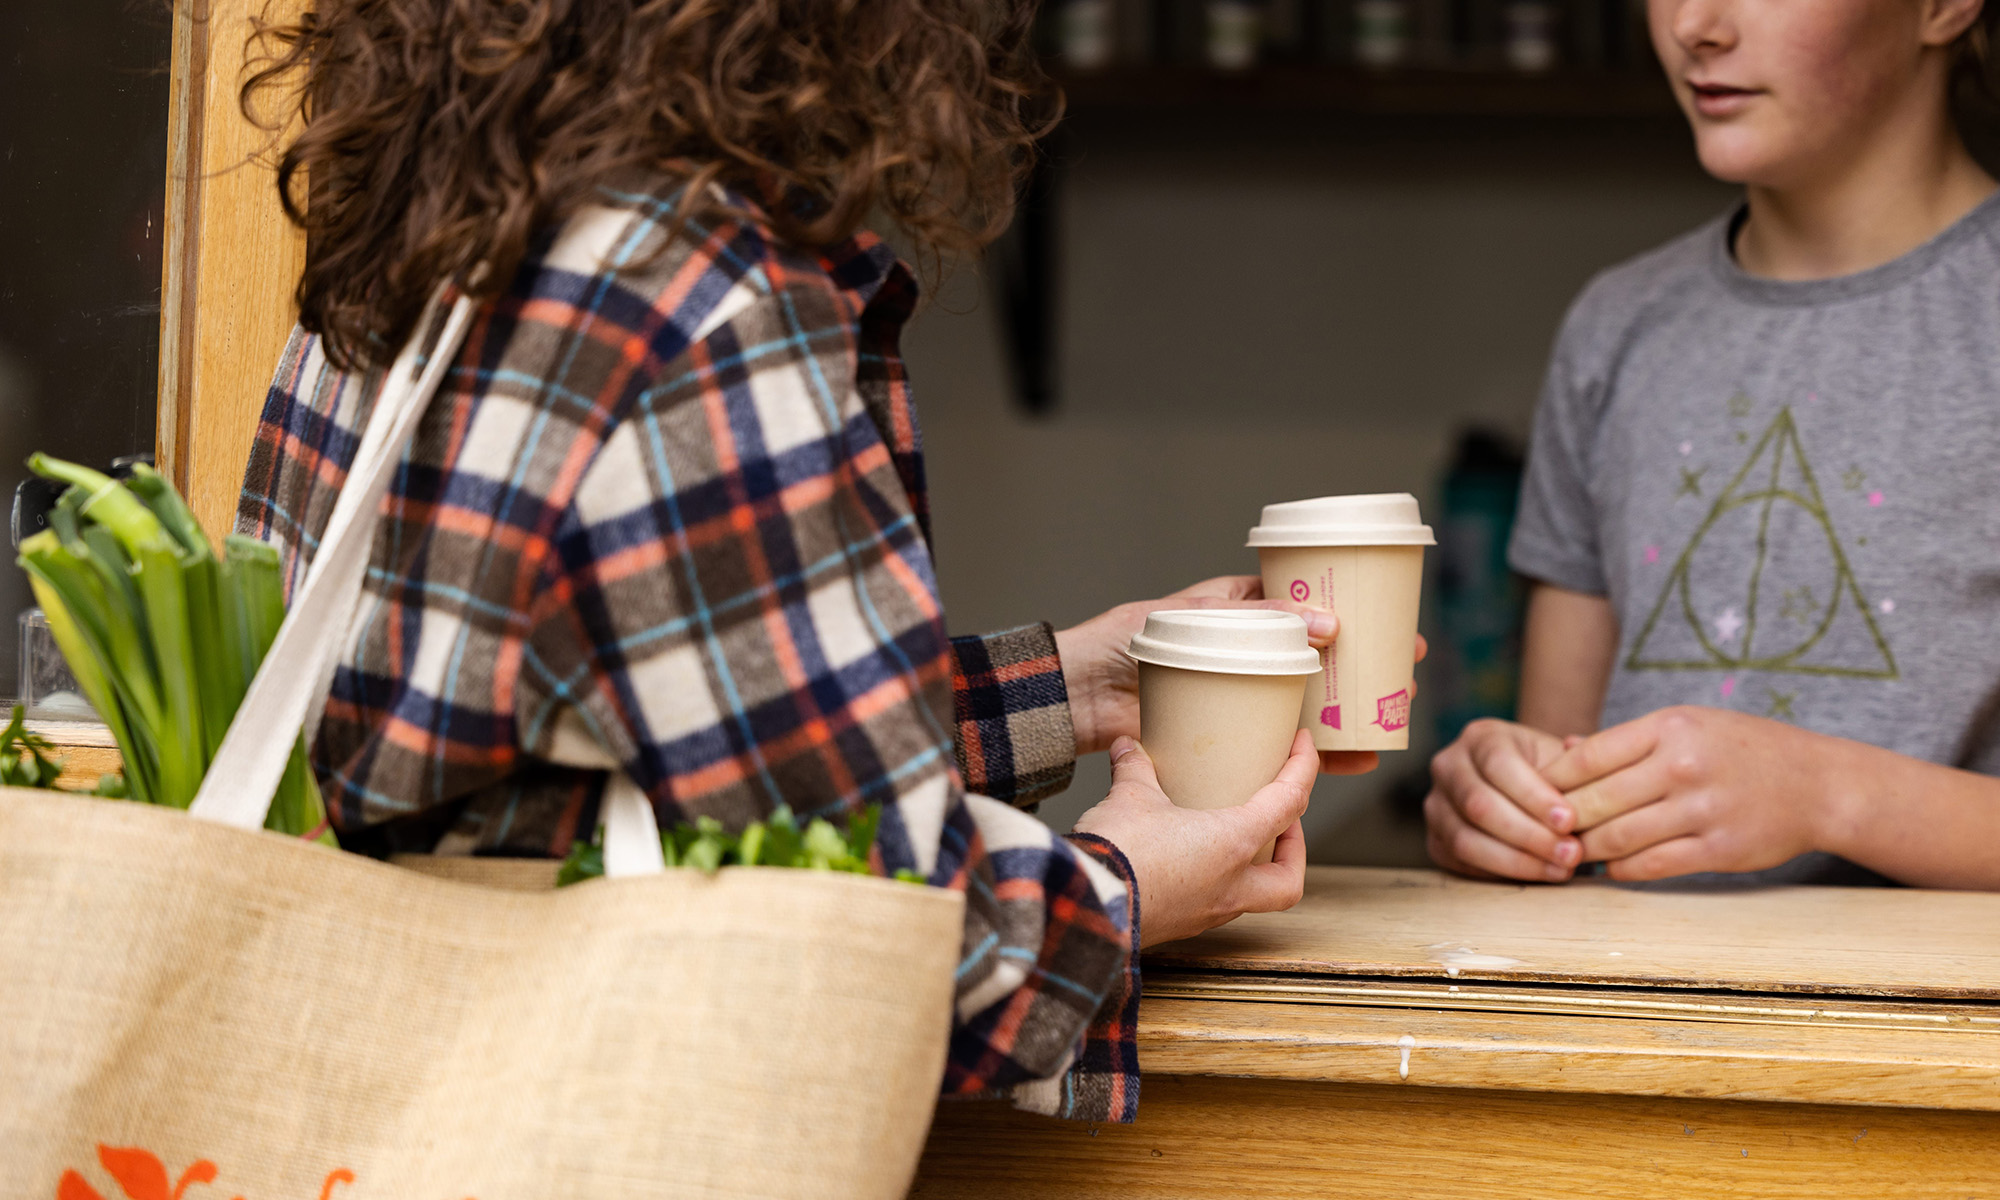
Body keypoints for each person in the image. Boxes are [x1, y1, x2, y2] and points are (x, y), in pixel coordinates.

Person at [233, 0, 1392, 1125]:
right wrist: (1123, 887)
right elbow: (872, 954)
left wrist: (1076, 686)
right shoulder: (697, 312)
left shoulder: (425, 256)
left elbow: (643, 744)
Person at [1425, 0, 2000, 890]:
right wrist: (1500, 808)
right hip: (1628, 1016)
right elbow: (1556, 777)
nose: (1696, 23)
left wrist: (1827, 794)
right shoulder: (1615, 327)